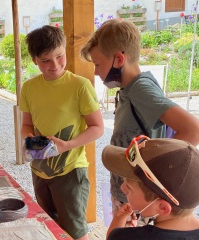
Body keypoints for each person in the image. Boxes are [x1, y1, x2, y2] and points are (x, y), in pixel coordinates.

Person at [80, 19, 199, 217]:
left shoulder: (140, 89)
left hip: (139, 202)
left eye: (98, 64)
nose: (96, 72)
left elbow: (193, 130)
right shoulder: (129, 89)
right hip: (129, 194)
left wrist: (152, 175)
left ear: (119, 60)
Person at [19, 25, 104, 240]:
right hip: (39, 168)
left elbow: (97, 128)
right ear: (34, 60)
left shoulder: (79, 85)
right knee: (49, 227)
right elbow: (26, 124)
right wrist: (28, 138)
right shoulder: (29, 88)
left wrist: (67, 145)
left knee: (75, 231)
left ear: (65, 50)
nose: (54, 65)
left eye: (59, 56)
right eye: (46, 60)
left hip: (71, 171)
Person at [101, 135, 199, 239]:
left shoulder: (126, 236)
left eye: (129, 188)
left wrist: (119, 220)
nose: (122, 188)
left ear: (162, 207)